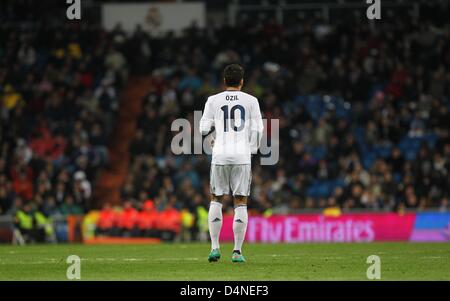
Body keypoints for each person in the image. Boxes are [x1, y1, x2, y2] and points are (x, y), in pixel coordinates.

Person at [199, 64, 264, 263]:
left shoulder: (213, 100)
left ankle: (214, 248)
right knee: (241, 201)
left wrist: (213, 136)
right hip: (242, 156)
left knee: (216, 199)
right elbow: (259, 129)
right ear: (242, 81)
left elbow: (203, 128)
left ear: (224, 81)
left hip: (220, 155)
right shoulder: (251, 100)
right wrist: (250, 149)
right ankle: (236, 251)